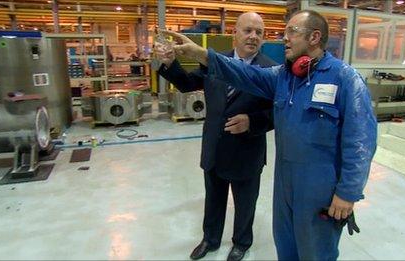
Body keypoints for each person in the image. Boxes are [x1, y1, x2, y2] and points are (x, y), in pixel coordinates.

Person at [160, 9, 377, 261]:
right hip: (284, 181)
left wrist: (348, 192)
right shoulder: (284, 76)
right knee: (285, 244)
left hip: (320, 184)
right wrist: (200, 54)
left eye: (292, 32)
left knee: (315, 249)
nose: (284, 38)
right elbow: (243, 73)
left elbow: (361, 141)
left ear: (315, 37)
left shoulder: (345, 79)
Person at [155, 12, 277, 261]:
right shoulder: (215, 62)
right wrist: (169, 64)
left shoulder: (271, 71)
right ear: (235, 33)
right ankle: (210, 240)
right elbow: (188, 84)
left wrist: (252, 122)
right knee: (213, 199)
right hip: (214, 148)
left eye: (259, 32)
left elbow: (278, 112)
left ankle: (241, 242)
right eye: (248, 30)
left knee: (245, 203)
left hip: (247, 150)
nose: (253, 36)